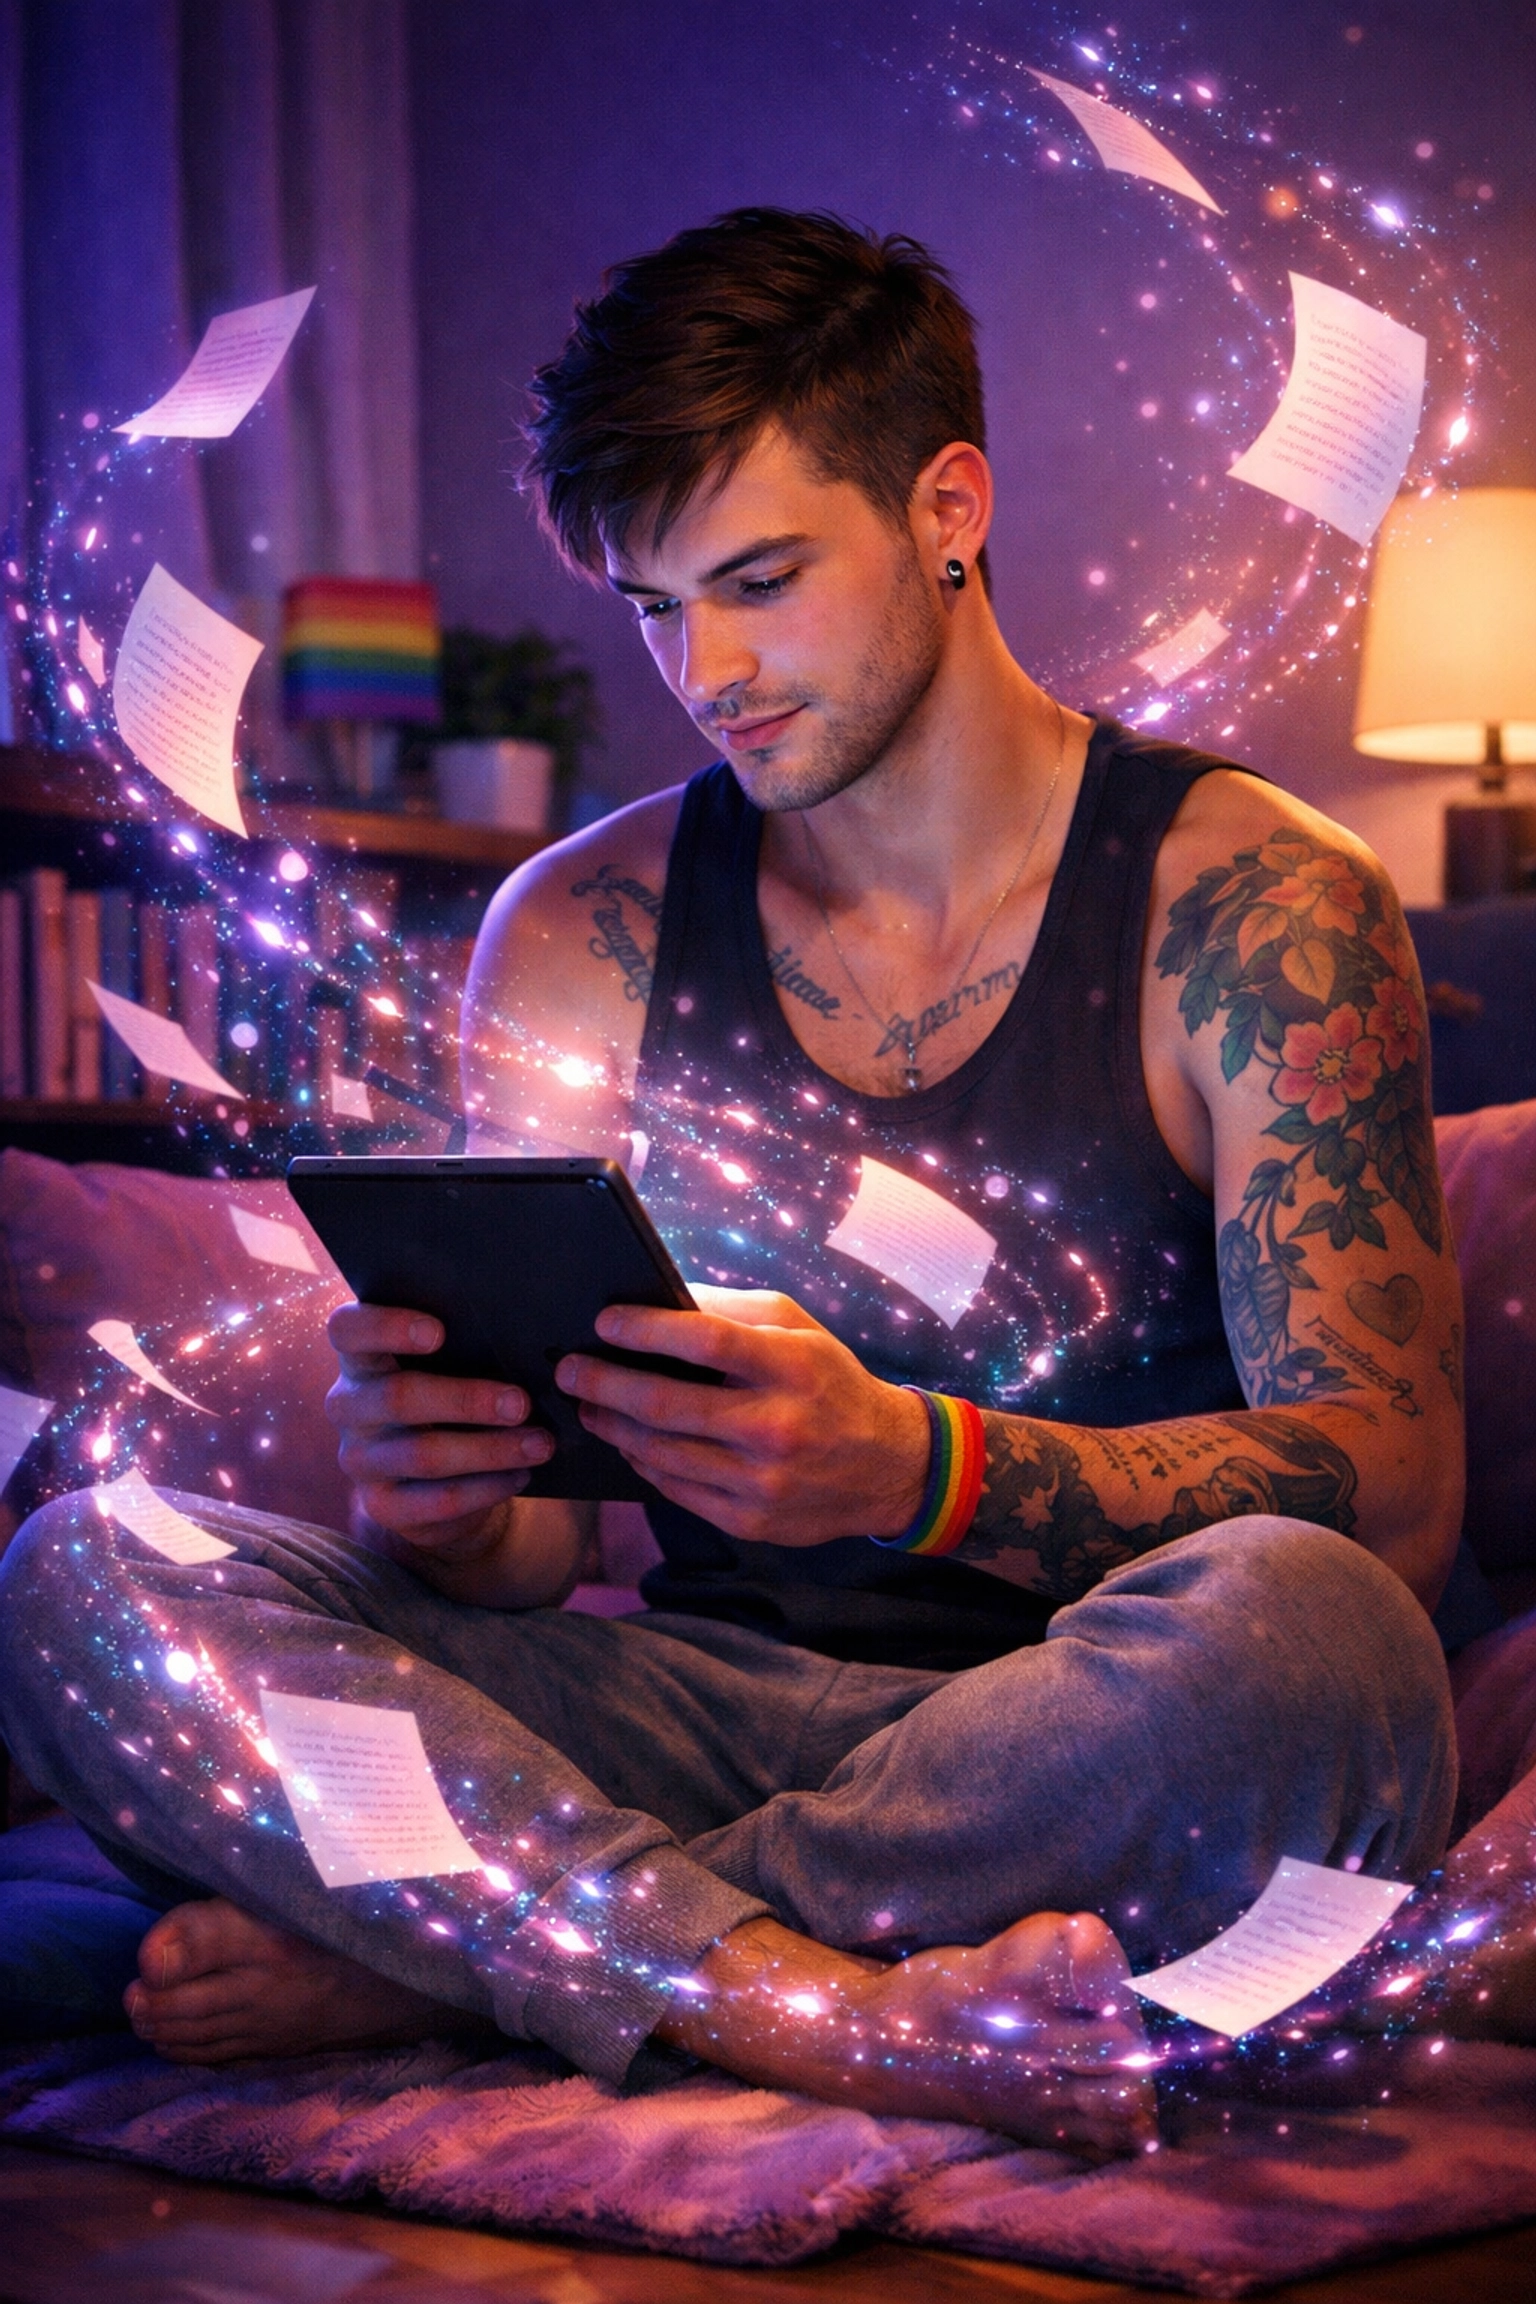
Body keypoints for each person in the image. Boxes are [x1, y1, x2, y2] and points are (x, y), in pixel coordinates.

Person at [0, 210, 1462, 2157]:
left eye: (761, 580)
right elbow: (526, 1563)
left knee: (1326, 1646)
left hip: (1069, 1722)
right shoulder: (576, 929)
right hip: (671, 1694)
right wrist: (450, 1499)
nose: (707, 669)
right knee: (86, 1578)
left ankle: (474, 1950)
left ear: (949, 508)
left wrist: (916, 1468)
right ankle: (799, 1999)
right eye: (653, 604)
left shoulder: (1254, 904)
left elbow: (1399, 1490)